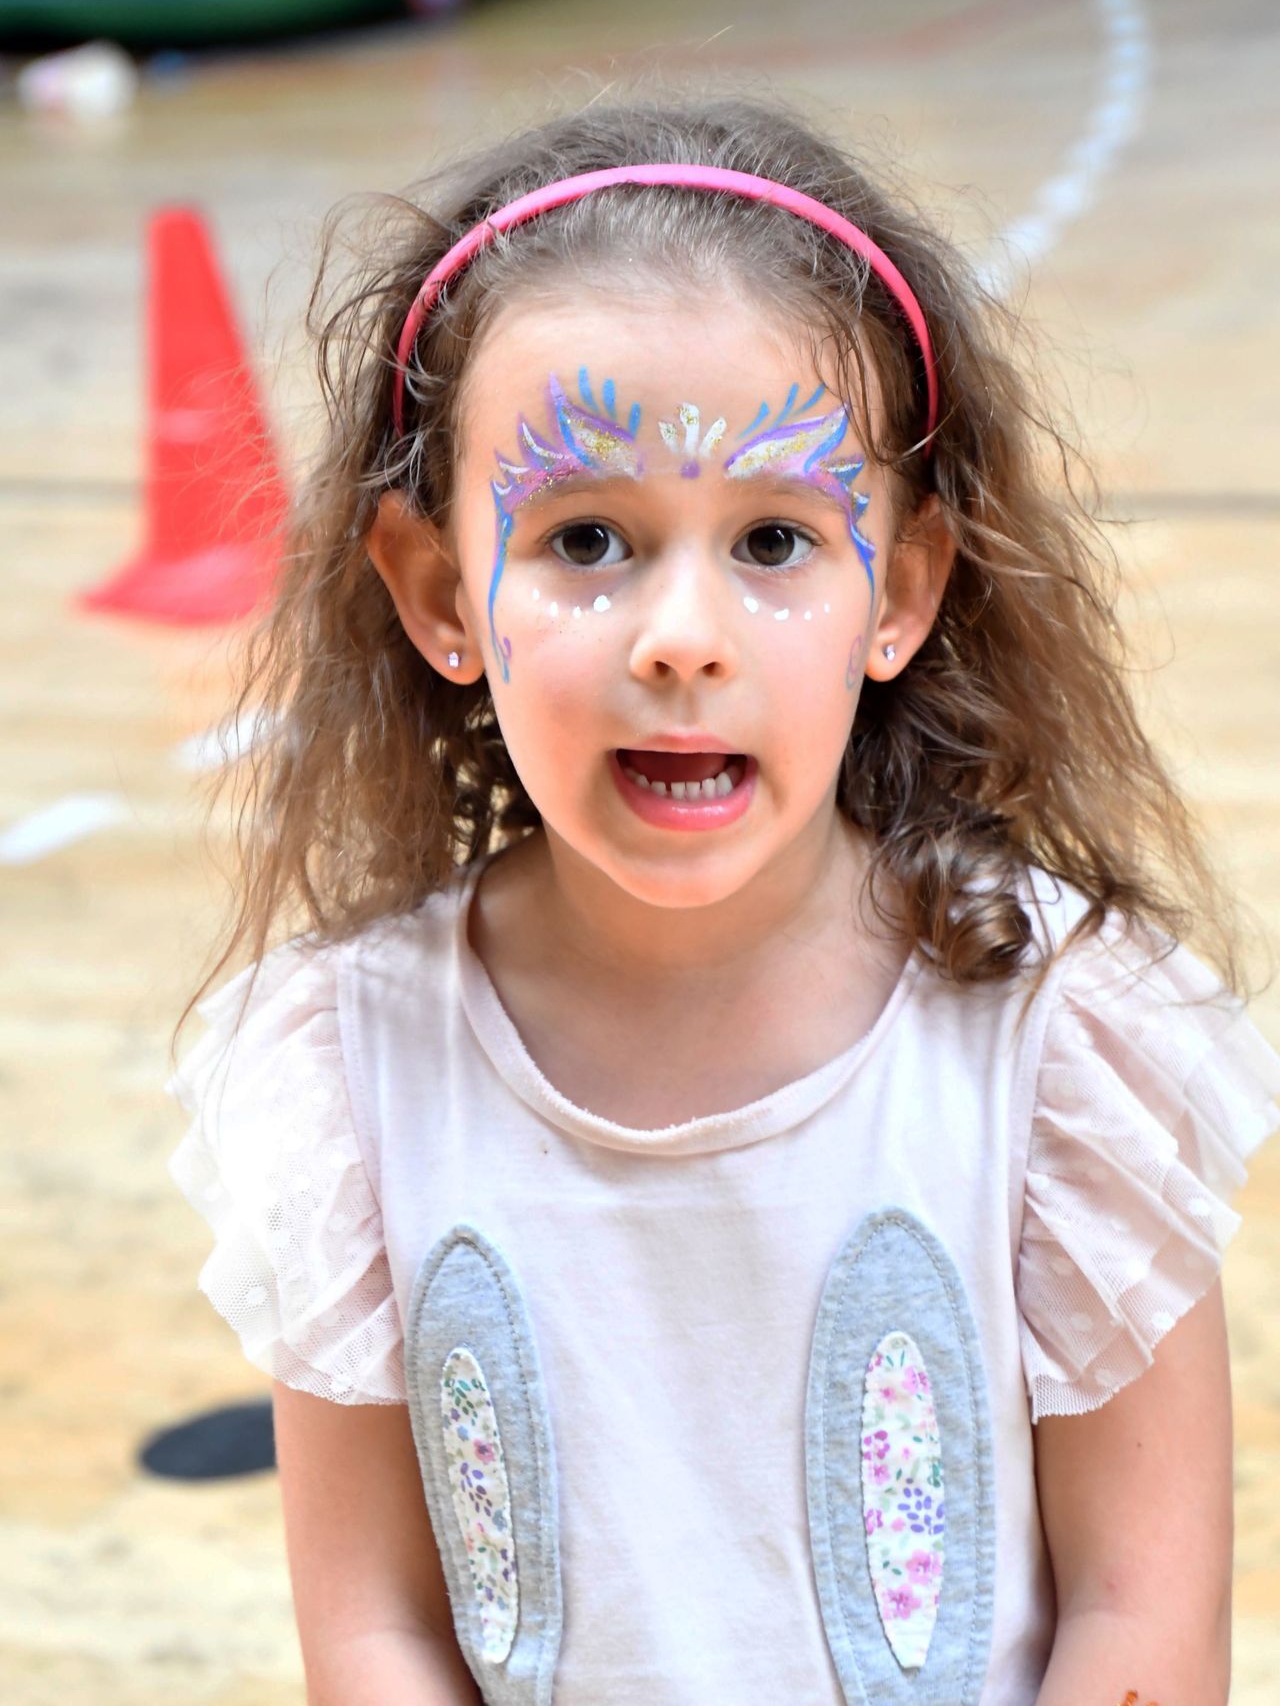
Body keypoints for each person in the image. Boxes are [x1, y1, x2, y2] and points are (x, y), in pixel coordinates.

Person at [166, 92, 1280, 1706]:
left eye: (771, 539)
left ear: (900, 588)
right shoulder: (350, 1073)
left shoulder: (1055, 1043)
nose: (681, 638)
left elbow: (1144, 1618)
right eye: (587, 539)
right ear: (436, 590)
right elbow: (377, 1630)